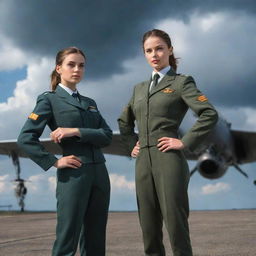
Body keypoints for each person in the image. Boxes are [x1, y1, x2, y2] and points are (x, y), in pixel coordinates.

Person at [118, 29, 218, 256]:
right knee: (149, 227)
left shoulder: (182, 82)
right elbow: (124, 121)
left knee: (175, 224)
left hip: (168, 158)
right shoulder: (139, 89)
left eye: (159, 48)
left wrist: (184, 142)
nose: (154, 54)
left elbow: (209, 113)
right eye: (149, 50)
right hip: (143, 160)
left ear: (170, 50)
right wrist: (131, 144)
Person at [17, 46, 112, 256]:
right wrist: (53, 161)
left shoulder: (90, 103)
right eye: (71, 64)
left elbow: (106, 136)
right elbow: (25, 138)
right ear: (59, 68)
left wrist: (75, 130)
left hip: (100, 175)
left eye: (81, 65)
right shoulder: (49, 99)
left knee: (96, 240)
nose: (77, 69)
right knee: (67, 239)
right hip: (74, 174)